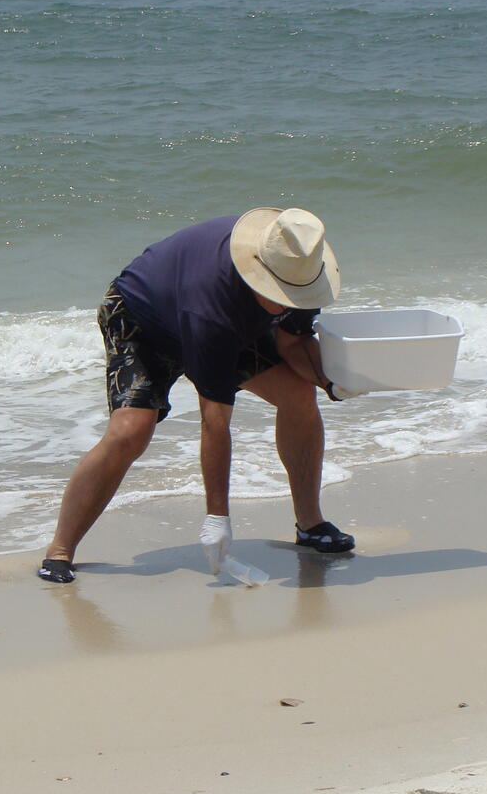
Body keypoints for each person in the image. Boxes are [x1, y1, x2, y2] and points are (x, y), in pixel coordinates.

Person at [38, 207, 359, 584]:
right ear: (257, 276)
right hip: (142, 319)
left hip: (225, 318)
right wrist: (217, 518)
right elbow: (215, 421)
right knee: (131, 431)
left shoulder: (297, 265)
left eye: (295, 294)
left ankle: (310, 524)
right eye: (282, 295)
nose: (289, 301)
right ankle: (60, 549)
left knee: (299, 395)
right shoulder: (211, 310)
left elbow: (293, 342)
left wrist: (334, 381)